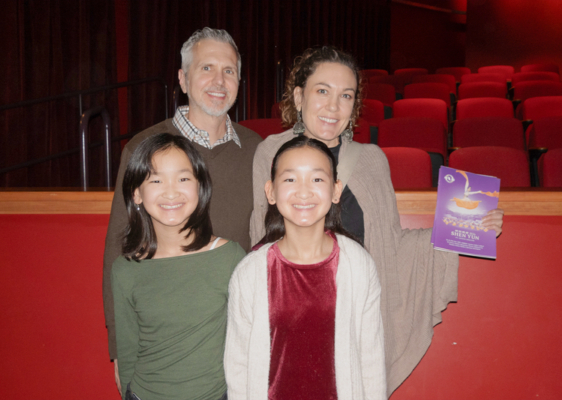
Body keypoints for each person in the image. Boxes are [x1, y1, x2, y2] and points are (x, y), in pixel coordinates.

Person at [249, 46, 504, 395]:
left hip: (356, 315)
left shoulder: (371, 160)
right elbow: (262, 236)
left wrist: (466, 227)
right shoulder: (271, 152)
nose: (333, 106)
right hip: (292, 314)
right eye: (322, 91)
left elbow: (391, 245)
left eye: (346, 95)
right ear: (298, 96)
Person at [103, 27, 262, 390]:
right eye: (207, 68)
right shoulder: (143, 148)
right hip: (164, 338)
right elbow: (119, 243)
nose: (219, 81)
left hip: (234, 334)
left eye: (229, 71)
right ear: (182, 78)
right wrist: (119, 346)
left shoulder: (257, 149)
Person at [225, 136, 386, 400]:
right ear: (271, 191)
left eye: (317, 179)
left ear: (336, 190)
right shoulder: (250, 271)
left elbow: (371, 358)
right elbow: (237, 365)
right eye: (290, 179)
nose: (303, 191)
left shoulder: (357, 264)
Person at [113, 133, 245, 400]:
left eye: (183, 179)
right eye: (156, 180)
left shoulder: (229, 257)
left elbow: (247, 341)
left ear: (200, 187)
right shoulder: (125, 268)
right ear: (136, 193)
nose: (171, 191)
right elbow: (127, 348)